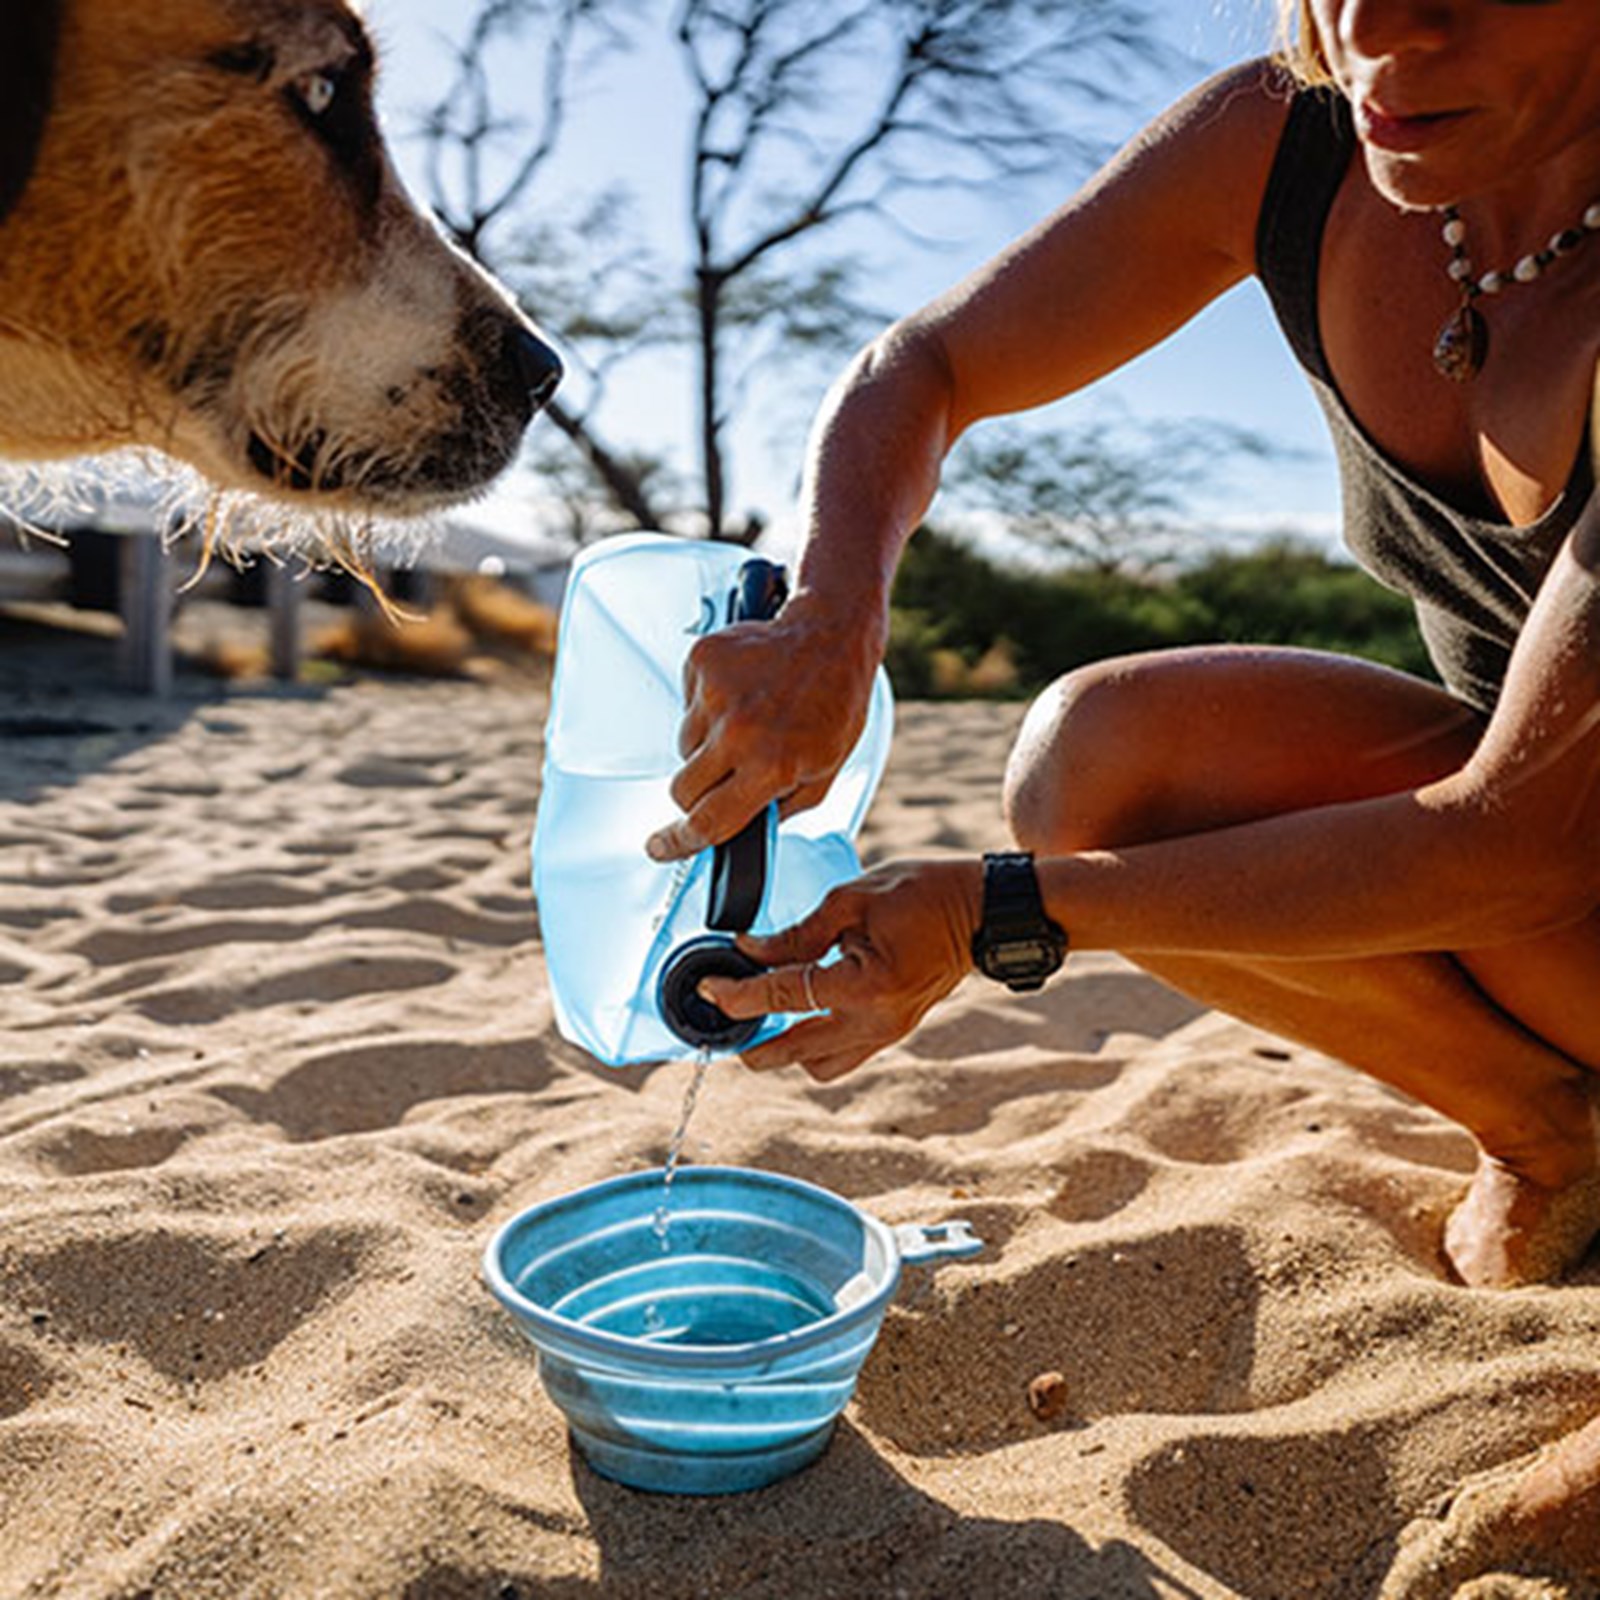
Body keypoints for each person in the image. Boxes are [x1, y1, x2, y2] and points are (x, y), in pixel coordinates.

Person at [644, 0, 1600, 1298]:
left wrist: (999, 917)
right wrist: (828, 613)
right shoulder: (1292, 139)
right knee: (1093, 759)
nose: (1376, 27)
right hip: (1547, 879)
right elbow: (924, 365)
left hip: (1540, 858)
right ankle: (1551, 1130)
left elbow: (1517, 848)